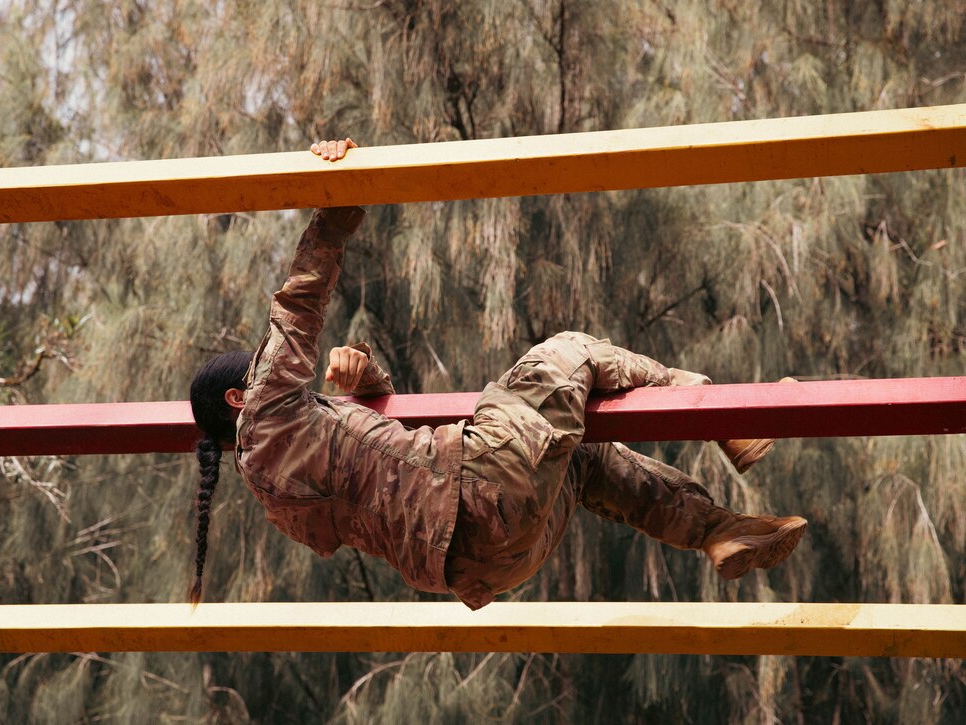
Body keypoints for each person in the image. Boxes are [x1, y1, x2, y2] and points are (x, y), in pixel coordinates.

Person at [187, 138, 806, 608]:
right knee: (565, 354)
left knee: (584, 456)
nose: (276, 370)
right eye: (263, 371)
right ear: (243, 397)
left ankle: (719, 531)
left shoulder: (275, 496)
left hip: (486, 566)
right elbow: (296, 307)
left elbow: (381, 466)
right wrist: (337, 206)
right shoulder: (269, 411)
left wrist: (365, 377)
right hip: (473, 490)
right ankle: (716, 406)